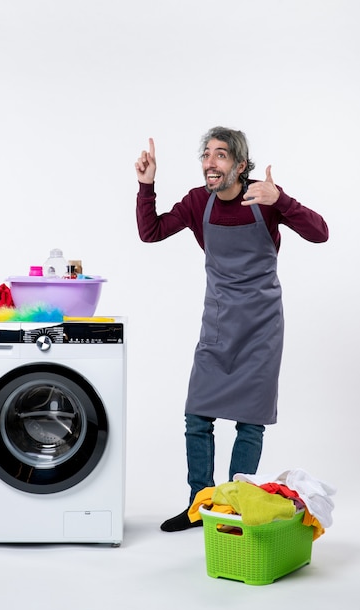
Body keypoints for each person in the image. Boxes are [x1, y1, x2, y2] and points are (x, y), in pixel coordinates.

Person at [135, 127, 329, 532]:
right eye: (206, 154)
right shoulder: (196, 203)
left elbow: (320, 233)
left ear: (240, 166)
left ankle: (234, 510)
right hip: (219, 323)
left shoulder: (264, 198)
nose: (210, 162)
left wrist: (284, 201)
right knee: (197, 417)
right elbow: (150, 232)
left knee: (250, 422)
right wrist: (146, 185)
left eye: (221, 155)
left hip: (261, 327)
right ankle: (198, 505)